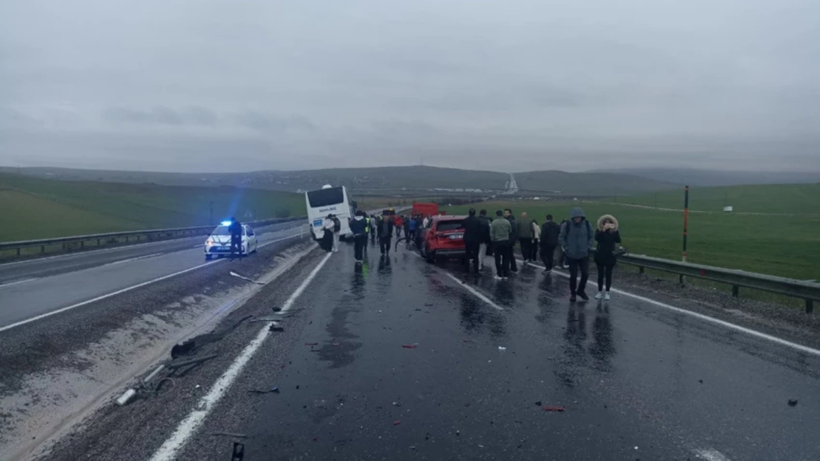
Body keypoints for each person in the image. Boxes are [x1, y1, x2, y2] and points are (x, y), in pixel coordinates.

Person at [558, 207, 594, 302]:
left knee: (585, 274)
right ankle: (573, 293)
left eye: (579, 217)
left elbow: (591, 236)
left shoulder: (586, 224)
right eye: (575, 217)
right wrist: (566, 248)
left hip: (583, 254)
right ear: (573, 217)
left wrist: (588, 246)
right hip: (571, 255)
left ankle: (581, 290)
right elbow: (561, 237)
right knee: (573, 276)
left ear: (582, 217)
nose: (577, 219)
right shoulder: (567, 225)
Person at [594, 214, 622, 300]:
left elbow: (618, 240)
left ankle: (607, 292)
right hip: (600, 255)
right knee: (600, 274)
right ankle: (599, 291)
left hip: (610, 255)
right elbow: (597, 238)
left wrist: (614, 231)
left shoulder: (614, 232)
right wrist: (603, 230)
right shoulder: (599, 231)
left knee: (608, 274)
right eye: (605, 223)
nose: (607, 224)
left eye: (609, 223)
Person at [490, 210, 512, 279]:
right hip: (505, 241)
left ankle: (499, 274)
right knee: (506, 258)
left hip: (497, 242)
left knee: (497, 259)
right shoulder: (507, 221)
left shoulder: (494, 222)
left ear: (496, 215)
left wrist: (492, 240)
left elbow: (491, 233)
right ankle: (505, 274)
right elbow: (510, 231)